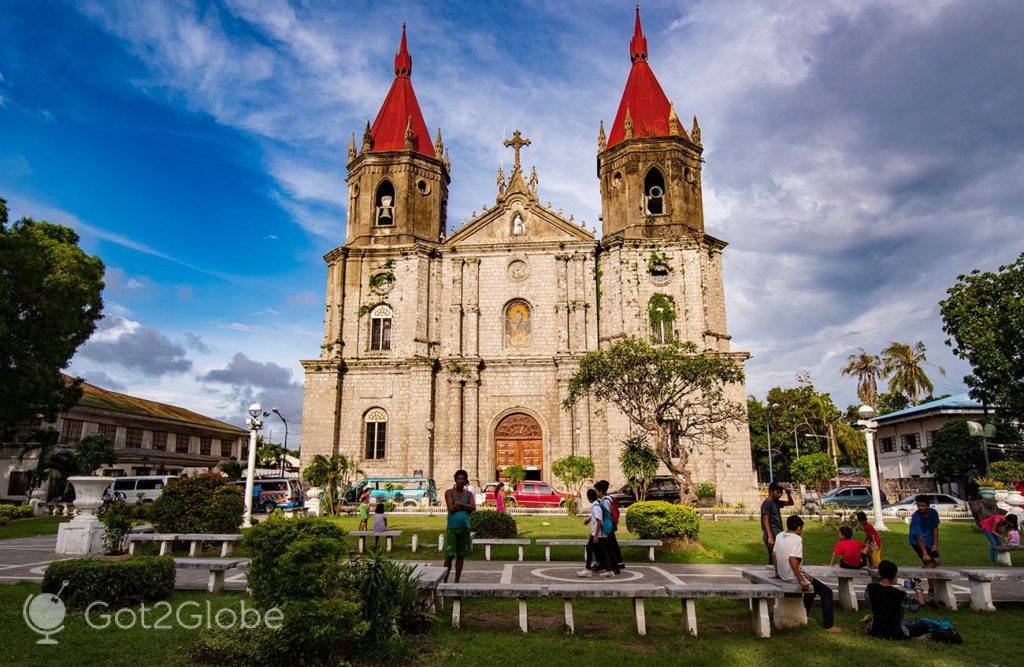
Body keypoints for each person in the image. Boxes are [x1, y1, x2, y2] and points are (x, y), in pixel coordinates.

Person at [773, 515, 841, 632]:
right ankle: (828, 625)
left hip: (783, 573)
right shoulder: (797, 539)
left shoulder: (779, 535)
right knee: (826, 591)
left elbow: (773, 555)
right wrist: (801, 579)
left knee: (812, 588)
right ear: (799, 528)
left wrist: (778, 572)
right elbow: (792, 560)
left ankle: (805, 614)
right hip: (792, 576)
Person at [864, 560, 930, 640]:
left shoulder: (870, 588)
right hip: (895, 632)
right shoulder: (899, 594)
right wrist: (918, 588)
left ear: (879, 574)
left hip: (876, 630)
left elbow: (867, 599)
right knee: (923, 625)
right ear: (894, 575)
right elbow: (919, 604)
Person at [443, 469, 476, 583]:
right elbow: (451, 508)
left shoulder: (469, 494)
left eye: (463, 479)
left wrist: (460, 504)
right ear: (455, 480)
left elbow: (473, 508)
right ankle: (445, 581)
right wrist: (466, 507)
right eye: (459, 479)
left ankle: (457, 581)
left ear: (466, 480)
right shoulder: (449, 492)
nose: (461, 481)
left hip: (465, 527)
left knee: (461, 555)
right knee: (449, 556)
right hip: (452, 528)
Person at [578, 488, 609, 577]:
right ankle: (608, 569)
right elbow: (595, 518)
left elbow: (599, 521)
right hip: (598, 533)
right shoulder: (596, 505)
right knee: (601, 551)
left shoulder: (596, 507)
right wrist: (589, 519)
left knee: (589, 548)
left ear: (588, 498)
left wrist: (595, 536)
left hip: (598, 534)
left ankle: (588, 569)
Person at [760, 482, 794, 563]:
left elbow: (791, 503)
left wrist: (788, 493)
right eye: (778, 492)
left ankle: (775, 573)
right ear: (771, 491)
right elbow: (765, 519)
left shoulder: (776, 502)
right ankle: (773, 573)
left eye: (781, 493)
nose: (780, 495)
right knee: (774, 555)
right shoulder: (767, 503)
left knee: (776, 556)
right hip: (772, 532)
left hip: (777, 532)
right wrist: (770, 537)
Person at [594, 480, 623, 571]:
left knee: (608, 546)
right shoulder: (608, 499)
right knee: (612, 544)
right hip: (609, 524)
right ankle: (618, 563)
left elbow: (606, 513)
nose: (595, 492)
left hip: (607, 525)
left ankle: (608, 565)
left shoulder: (605, 501)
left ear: (600, 491)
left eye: (596, 490)